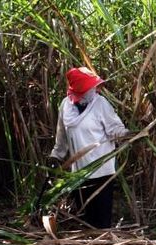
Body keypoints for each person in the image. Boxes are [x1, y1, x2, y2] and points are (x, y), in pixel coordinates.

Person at [48, 67, 129, 228]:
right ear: (79, 89)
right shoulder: (65, 105)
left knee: (102, 219)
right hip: (79, 173)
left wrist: (128, 135)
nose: (94, 90)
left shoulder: (101, 104)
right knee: (87, 218)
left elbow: (114, 129)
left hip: (102, 170)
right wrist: (56, 155)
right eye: (90, 87)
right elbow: (62, 136)